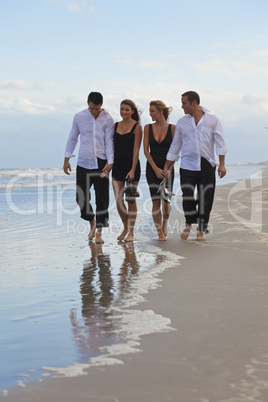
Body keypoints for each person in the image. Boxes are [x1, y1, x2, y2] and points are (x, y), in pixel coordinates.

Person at [164, 91, 227, 241]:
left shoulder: (212, 119)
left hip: (207, 163)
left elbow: (220, 142)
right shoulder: (182, 122)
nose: (182, 106)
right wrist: (167, 167)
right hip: (187, 163)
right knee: (187, 195)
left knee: (206, 197)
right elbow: (175, 146)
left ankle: (201, 228)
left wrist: (222, 164)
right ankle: (189, 222)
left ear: (194, 103)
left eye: (184, 103)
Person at [63, 92, 114, 244]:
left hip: (101, 162)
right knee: (81, 197)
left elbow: (110, 142)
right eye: (91, 108)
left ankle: (99, 231)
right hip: (83, 162)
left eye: (97, 109)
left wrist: (110, 162)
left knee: (102, 199)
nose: (94, 112)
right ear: (87, 103)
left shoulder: (108, 118)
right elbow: (72, 137)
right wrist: (67, 159)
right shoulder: (79, 117)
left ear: (101, 105)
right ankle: (91, 221)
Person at [143, 100, 175, 241]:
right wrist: (155, 169)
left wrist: (168, 169)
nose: (150, 114)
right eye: (150, 111)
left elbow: (175, 151)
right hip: (152, 169)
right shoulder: (147, 128)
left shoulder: (173, 128)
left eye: (152, 111)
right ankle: (159, 233)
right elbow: (145, 151)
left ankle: (165, 222)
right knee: (156, 201)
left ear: (161, 111)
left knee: (166, 202)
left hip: (168, 169)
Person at [112, 99, 142, 242]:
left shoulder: (137, 127)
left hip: (132, 167)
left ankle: (131, 232)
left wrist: (132, 169)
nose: (124, 112)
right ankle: (126, 227)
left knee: (130, 200)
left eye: (127, 109)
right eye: (122, 109)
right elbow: (111, 148)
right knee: (118, 200)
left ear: (132, 111)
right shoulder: (115, 125)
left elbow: (136, 150)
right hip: (117, 166)